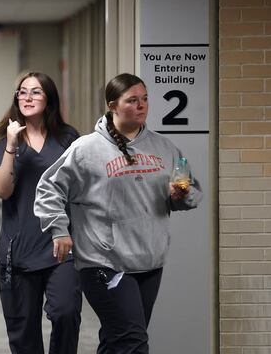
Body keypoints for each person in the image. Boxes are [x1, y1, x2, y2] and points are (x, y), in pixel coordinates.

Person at [34, 73, 203, 354]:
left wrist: (181, 196)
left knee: (117, 342)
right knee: (133, 343)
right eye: (132, 100)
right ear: (112, 105)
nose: (142, 105)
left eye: (145, 99)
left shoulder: (164, 147)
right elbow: (48, 188)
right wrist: (59, 229)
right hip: (105, 262)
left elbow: (191, 191)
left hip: (149, 261)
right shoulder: (86, 149)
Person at [0, 71, 82, 354]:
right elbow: (2, 190)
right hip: (19, 248)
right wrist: (11, 146)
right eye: (22, 92)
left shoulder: (68, 138)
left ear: (49, 98)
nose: (27, 97)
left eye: (36, 92)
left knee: (66, 312)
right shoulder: (2, 138)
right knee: (23, 332)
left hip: (60, 245)